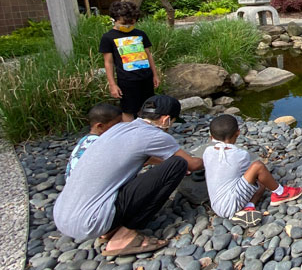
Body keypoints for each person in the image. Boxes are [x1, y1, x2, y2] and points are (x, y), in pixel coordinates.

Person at [53, 95, 203, 257]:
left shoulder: (119, 129)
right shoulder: (155, 135)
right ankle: (124, 237)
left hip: (63, 215)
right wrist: (212, 157)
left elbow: (140, 157)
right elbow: (192, 164)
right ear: (166, 119)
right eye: (173, 121)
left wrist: (161, 164)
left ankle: (110, 228)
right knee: (178, 164)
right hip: (91, 222)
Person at [204, 114, 302, 226]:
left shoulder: (207, 152)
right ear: (238, 133)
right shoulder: (240, 154)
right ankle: (280, 193)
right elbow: (251, 175)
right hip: (230, 204)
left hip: (216, 204)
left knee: (262, 183)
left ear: (211, 137)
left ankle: (248, 207)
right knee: (258, 167)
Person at [100, 1, 160, 122]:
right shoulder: (108, 37)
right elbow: (108, 62)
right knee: (128, 109)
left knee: (149, 106)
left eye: (131, 22)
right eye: (123, 23)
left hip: (146, 77)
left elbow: (148, 55)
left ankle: (148, 130)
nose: (127, 25)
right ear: (114, 19)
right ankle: (130, 132)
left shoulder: (140, 34)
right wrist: (112, 84)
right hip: (127, 80)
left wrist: (155, 74)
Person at [65, 103, 122, 180]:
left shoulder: (84, 140)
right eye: (116, 125)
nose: (121, 128)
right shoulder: (102, 144)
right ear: (100, 126)